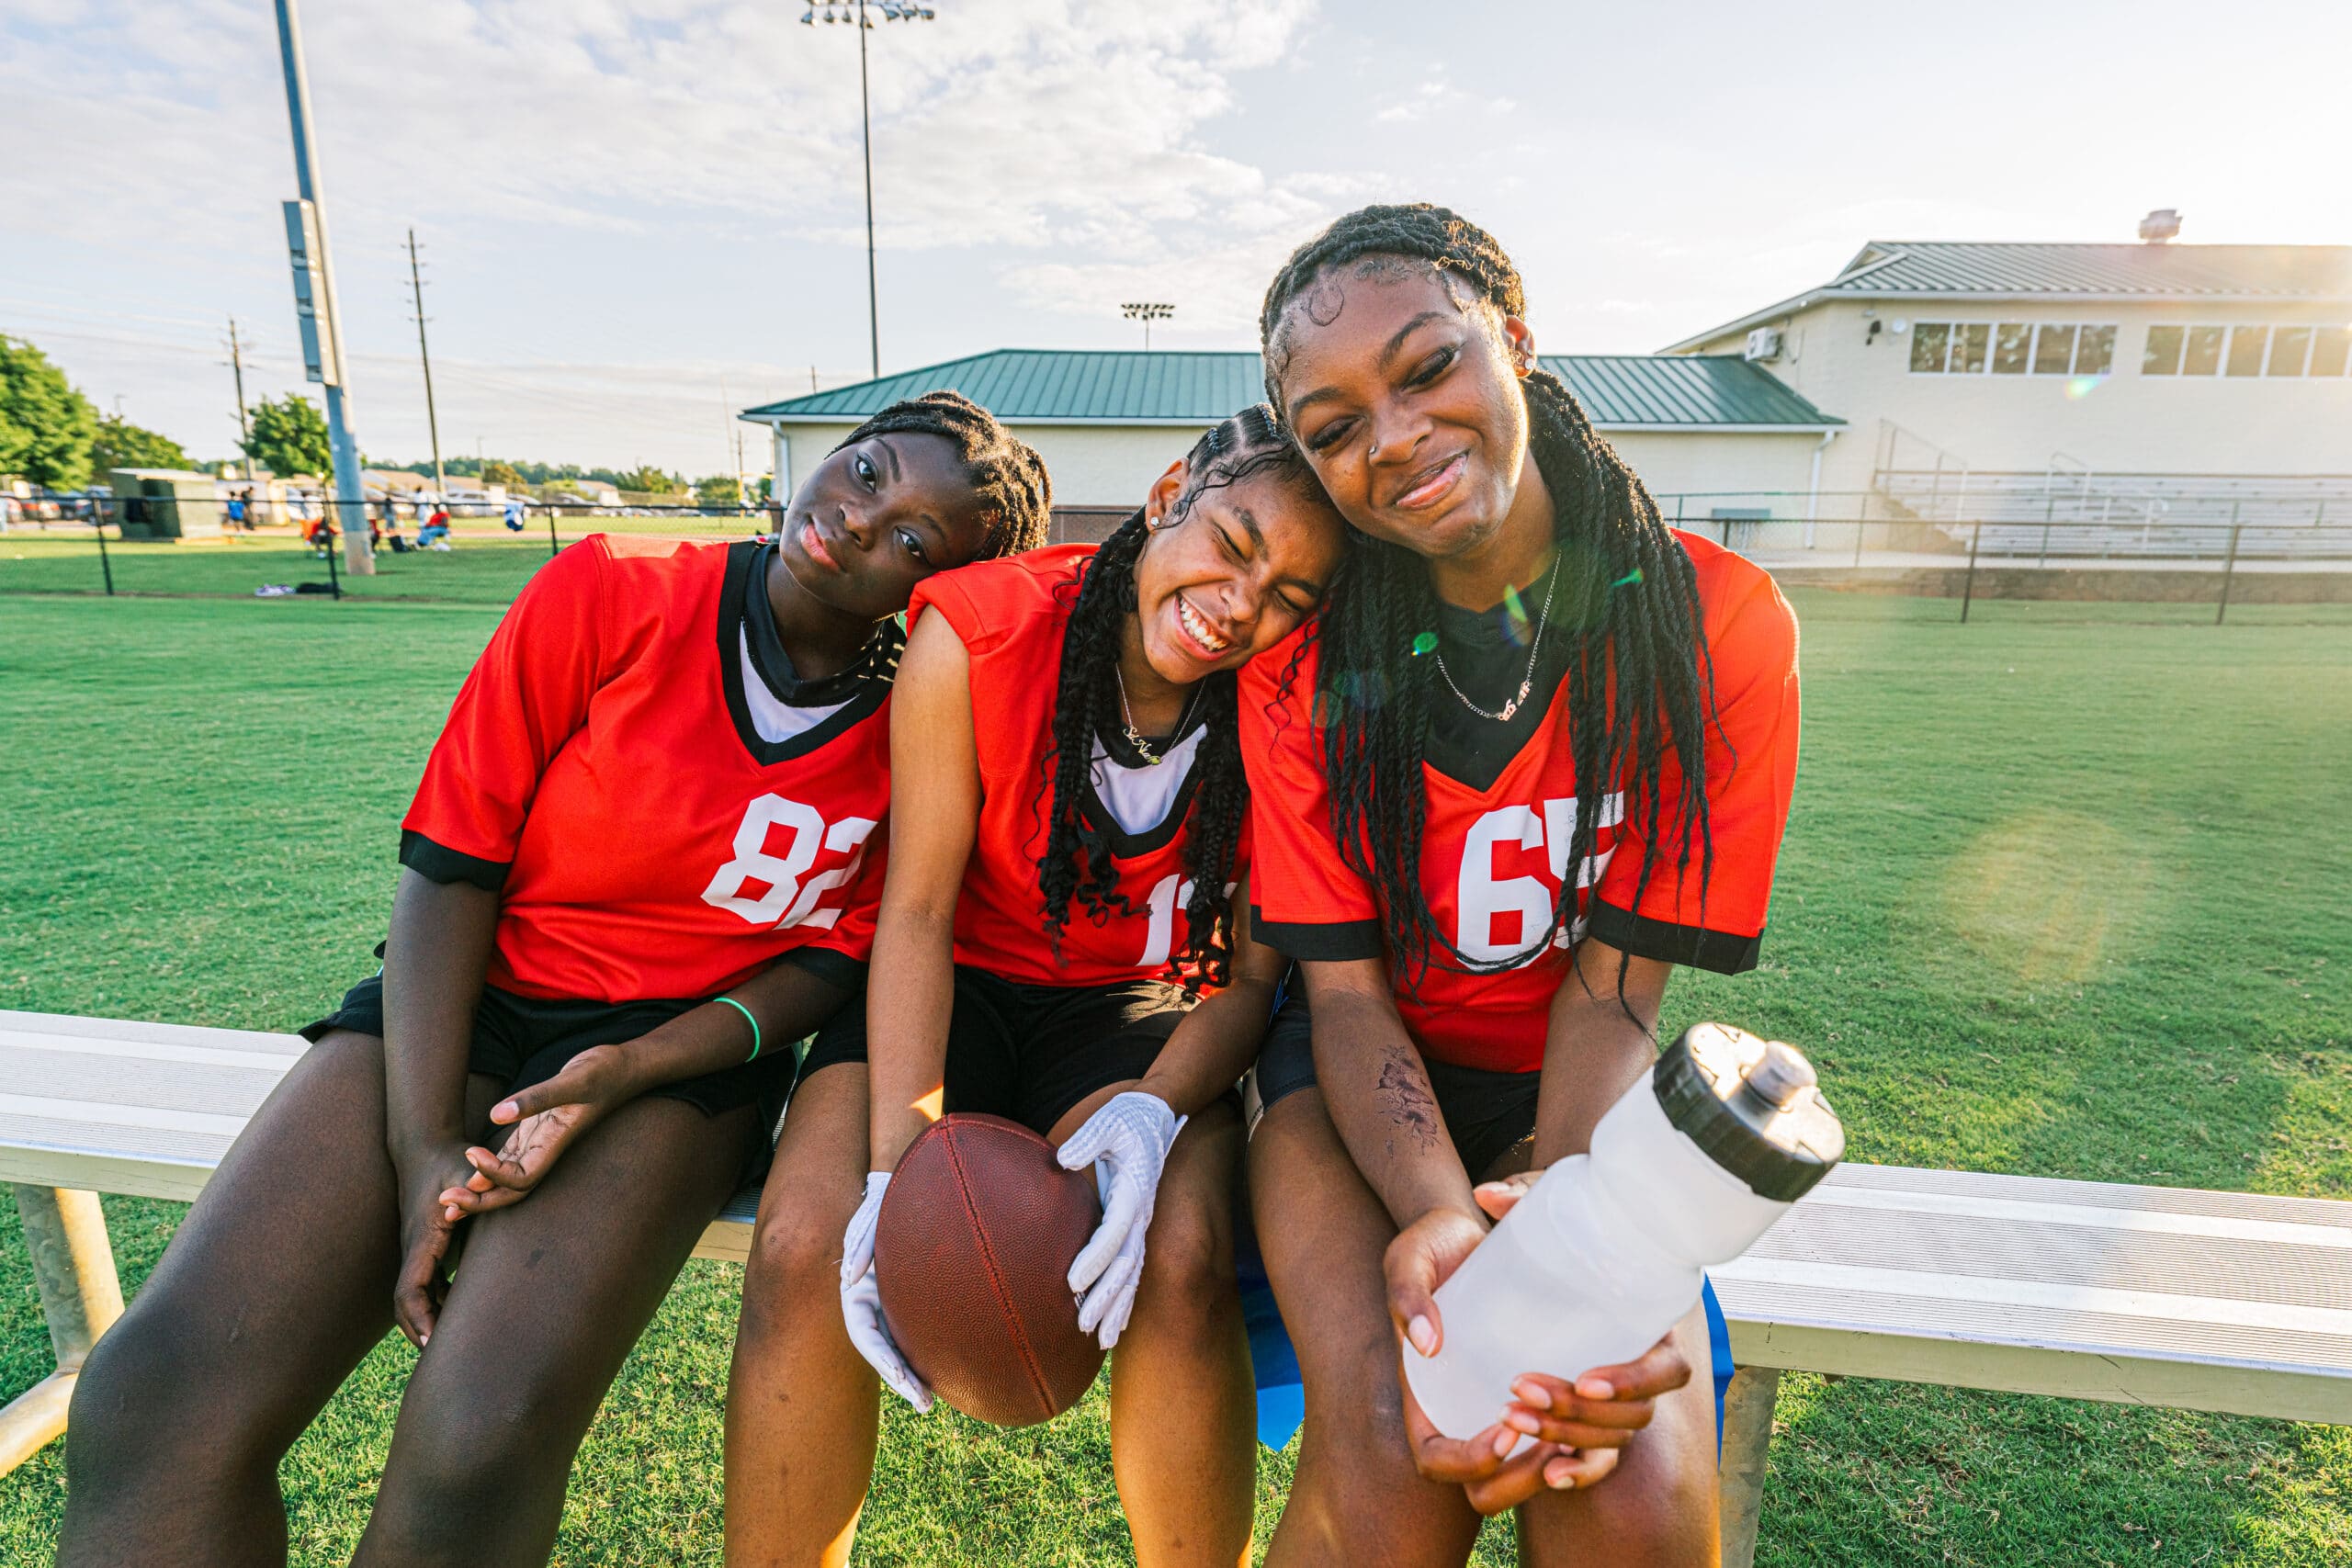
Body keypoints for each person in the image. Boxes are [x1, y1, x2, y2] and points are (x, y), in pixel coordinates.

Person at [54, 392, 1053, 1568]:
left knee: (479, 1440)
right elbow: (449, 870)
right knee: (150, 1400)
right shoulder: (617, 589)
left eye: (918, 539)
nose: (861, 517)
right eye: (869, 470)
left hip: (674, 1066)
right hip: (468, 999)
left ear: (938, 590)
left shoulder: (923, 717)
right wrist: (424, 1144)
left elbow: (832, 962)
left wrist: (629, 1065)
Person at [1240, 205, 1801, 1566]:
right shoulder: (1308, 664)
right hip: (1347, 1087)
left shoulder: (1713, 623)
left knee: (1626, 1475)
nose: (1392, 436)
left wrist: (1562, 1218)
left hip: (1578, 1097)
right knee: (1390, 1430)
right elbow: (1346, 998)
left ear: (1518, 344)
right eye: (1332, 425)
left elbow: (1613, 995)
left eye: (1427, 366)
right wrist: (1443, 1212)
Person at [728, 405, 1348, 1568]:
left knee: (1175, 1251)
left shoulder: (1288, 691)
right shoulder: (984, 627)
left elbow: (1255, 971)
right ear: (1171, 490)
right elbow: (913, 910)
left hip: (1139, 1005)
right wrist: (889, 1163)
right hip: (953, 984)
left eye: (1289, 597)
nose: (1242, 603)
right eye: (1235, 543)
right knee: (809, 1238)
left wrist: (1158, 1111)